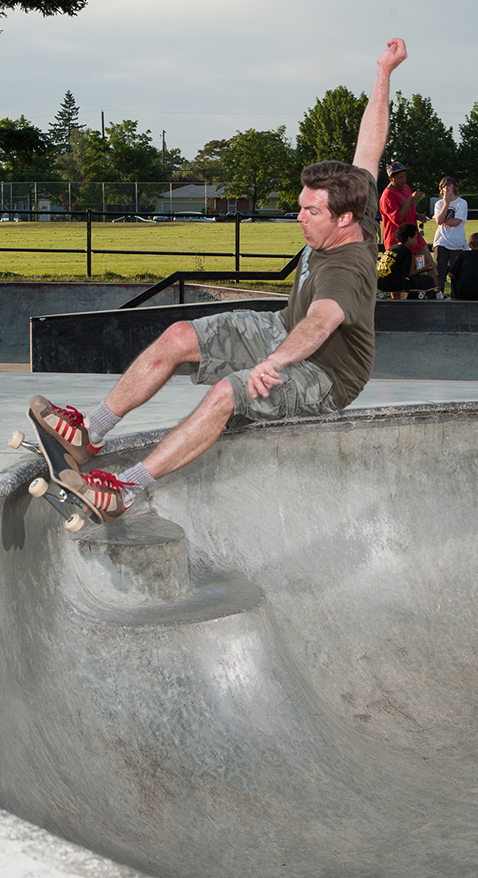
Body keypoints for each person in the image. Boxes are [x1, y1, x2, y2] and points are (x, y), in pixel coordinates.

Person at [24, 38, 408, 521]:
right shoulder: (358, 197)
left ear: (346, 220)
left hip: (326, 375)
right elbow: (370, 144)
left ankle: (125, 489)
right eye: (300, 206)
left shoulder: (348, 268)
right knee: (179, 335)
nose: (300, 219)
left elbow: (322, 322)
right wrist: (384, 71)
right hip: (282, 330)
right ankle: (90, 434)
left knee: (229, 391)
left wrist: (275, 362)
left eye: (311, 212)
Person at [376, 222, 435, 298]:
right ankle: (432, 305)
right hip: (392, 284)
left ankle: (412, 300)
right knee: (427, 280)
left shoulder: (392, 248)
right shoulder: (405, 251)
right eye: (415, 238)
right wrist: (424, 269)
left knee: (414, 281)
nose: (416, 241)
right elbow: (407, 274)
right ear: (409, 238)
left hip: (380, 282)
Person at [432, 175, 468, 298]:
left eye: (449, 185)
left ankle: (456, 296)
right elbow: (439, 221)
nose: (446, 188)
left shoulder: (461, 203)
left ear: (454, 187)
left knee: (455, 271)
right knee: (440, 269)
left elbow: (456, 222)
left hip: (457, 242)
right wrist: (446, 203)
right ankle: (439, 295)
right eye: (443, 186)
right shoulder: (439, 204)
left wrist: (442, 220)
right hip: (441, 241)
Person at [378, 161, 425, 249]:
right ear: (391, 178)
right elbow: (397, 219)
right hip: (398, 244)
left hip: (415, 240)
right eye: (399, 177)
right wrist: (410, 199)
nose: (403, 180)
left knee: (429, 262)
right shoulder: (388, 196)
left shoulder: (406, 188)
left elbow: (408, 209)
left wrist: (417, 216)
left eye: (404, 176)